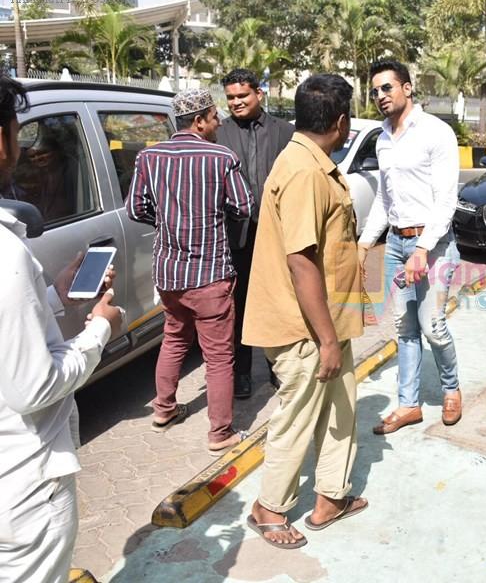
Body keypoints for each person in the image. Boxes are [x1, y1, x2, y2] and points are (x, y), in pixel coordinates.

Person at [0, 73, 123, 583]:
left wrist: (55, 295)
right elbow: (33, 386)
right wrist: (97, 329)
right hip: (22, 490)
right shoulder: (5, 255)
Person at [242, 74, 368, 549]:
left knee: (342, 407)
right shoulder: (305, 172)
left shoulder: (312, 163)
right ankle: (269, 508)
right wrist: (327, 340)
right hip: (306, 330)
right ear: (341, 122)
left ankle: (331, 495)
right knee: (297, 416)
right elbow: (301, 261)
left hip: (330, 321)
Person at [125, 88, 254, 456]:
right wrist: (213, 218)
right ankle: (220, 432)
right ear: (198, 120)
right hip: (210, 272)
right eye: (214, 117)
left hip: (169, 273)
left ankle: (163, 409)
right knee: (218, 356)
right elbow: (243, 206)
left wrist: (168, 221)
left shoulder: (149, 157)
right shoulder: (221, 157)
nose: (218, 123)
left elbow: (136, 208)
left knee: (174, 339)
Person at [358, 59, 462, 435]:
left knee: (432, 326)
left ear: (407, 88)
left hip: (432, 246)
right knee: (404, 329)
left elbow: (446, 199)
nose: (380, 96)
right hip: (397, 245)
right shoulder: (382, 138)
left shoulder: (436, 132)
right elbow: (386, 201)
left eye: (387, 87)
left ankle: (451, 389)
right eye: (374, 91)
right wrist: (365, 243)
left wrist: (422, 249)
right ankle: (408, 405)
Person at [216, 68, 294, 398]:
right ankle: (242, 373)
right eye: (231, 97)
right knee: (241, 305)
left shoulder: (284, 131)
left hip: (276, 233)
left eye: (242, 96)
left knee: (277, 301)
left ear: (259, 94)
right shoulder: (219, 133)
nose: (236, 102)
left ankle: (279, 366)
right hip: (237, 237)